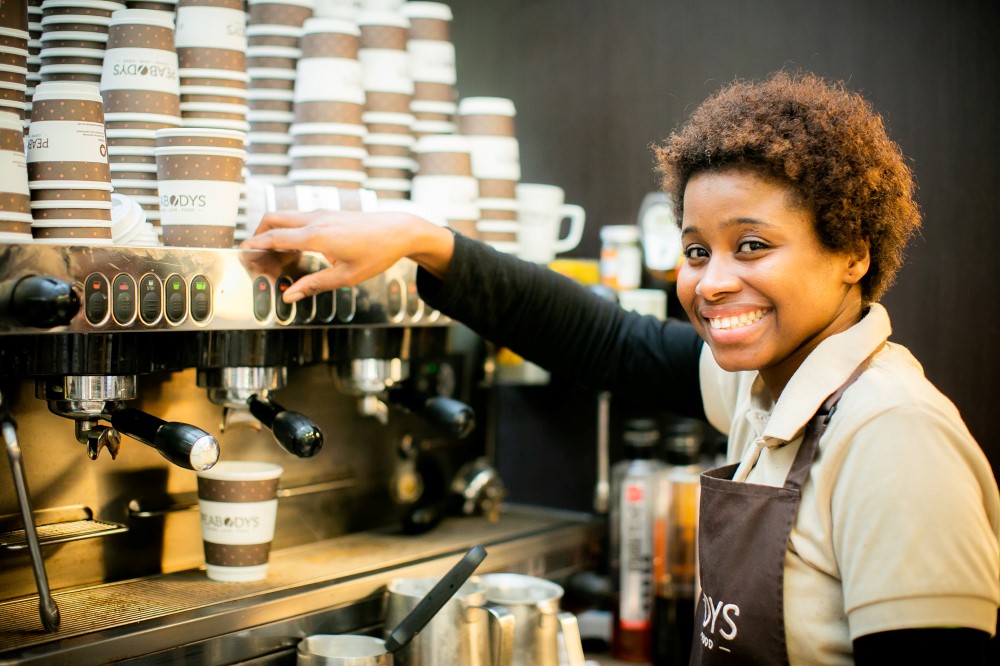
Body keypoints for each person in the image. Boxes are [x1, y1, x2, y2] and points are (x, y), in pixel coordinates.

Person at [242, 72, 1000, 664]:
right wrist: (421, 240)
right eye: (697, 249)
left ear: (853, 255)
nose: (711, 282)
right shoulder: (768, 389)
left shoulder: (895, 438)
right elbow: (605, 341)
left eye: (753, 246)